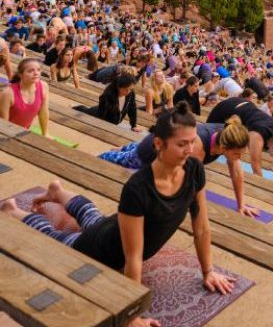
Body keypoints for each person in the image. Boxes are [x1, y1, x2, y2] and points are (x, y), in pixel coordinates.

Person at [2, 105, 235, 327]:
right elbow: (132, 256)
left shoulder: (195, 169)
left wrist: (208, 271)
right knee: (56, 238)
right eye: (182, 144)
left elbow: (202, 227)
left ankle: (57, 192)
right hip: (102, 249)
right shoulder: (138, 188)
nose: (190, 150)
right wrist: (132, 316)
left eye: (193, 142)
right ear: (158, 144)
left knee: (94, 217)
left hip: (114, 227)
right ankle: (14, 210)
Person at [99, 102, 260, 218]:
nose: (239, 159)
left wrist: (241, 205)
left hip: (162, 139)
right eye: (237, 155)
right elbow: (183, 181)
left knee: (130, 149)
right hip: (151, 151)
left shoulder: (227, 135)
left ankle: (122, 148)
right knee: (117, 159)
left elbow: (237, 173)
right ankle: (106, 154)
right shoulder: (197, 148)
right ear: (225, 148)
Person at [207, 96, 273, 187]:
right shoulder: (257, 136)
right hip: (225, 110)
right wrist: (261, 190)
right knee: (210, 148)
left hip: (243, 105)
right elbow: (256, 167)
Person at [0, 57, 49, 135]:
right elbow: (3, 124)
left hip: (22, 132)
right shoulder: (8, 93)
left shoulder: (43, 86)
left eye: (38, 70)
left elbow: (43, 113)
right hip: (6, 133)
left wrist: (45, 133)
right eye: (30, 71)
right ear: (20, 75)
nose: (36, 73)